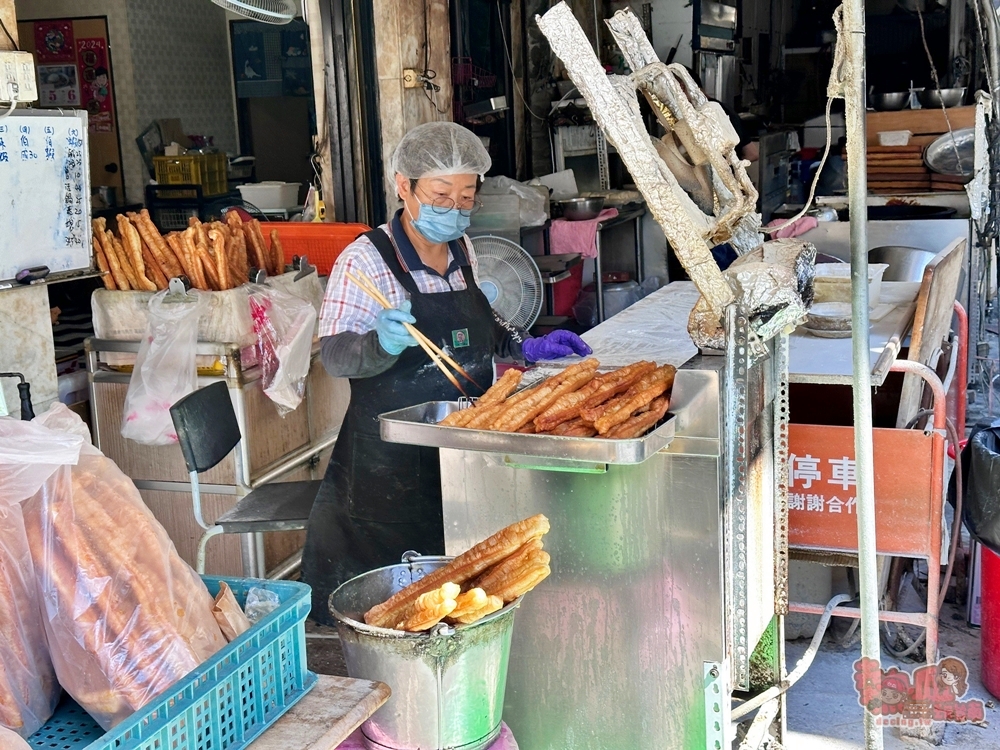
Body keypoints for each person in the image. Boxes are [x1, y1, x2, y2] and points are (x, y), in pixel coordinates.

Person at [302, 122, 592, 623]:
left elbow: (487, 326)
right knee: (387, 609)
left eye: (465, 196)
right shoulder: (365, 260)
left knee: (461, 590)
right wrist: (380, 343)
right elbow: (336, 356)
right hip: (387, 462)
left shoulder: (465, 251)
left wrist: (527, 343)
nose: (454, 209)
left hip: (466, 447)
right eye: (440, 195)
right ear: (403, 186)